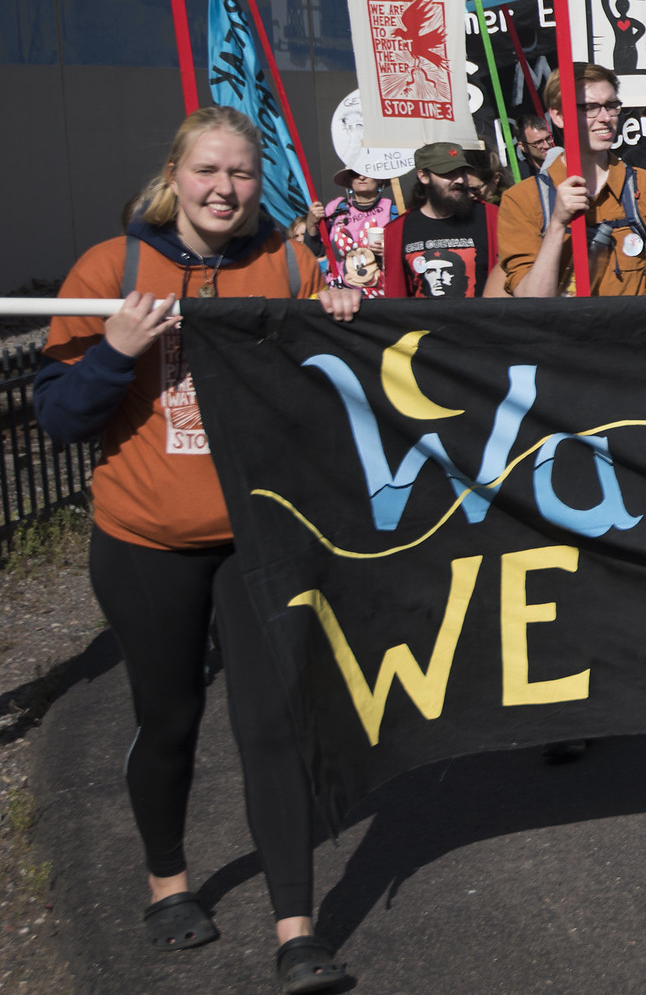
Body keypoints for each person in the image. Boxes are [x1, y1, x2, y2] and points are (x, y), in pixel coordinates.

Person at [32, 108, 357, 993]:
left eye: (242, 174)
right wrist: (115, 351)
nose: (224, 189)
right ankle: (168, 885)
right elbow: (60, 418)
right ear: (174, 176)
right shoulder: (112, 269)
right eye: (208, 171)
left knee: (274, 724)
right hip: (145, 543)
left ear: (261, 183)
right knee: (169, 718)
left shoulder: (289, 264)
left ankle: (297, 929)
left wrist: (336, 320)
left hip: (258, 541)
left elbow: (332, 401)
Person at [496, 63, 646, 297]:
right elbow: (532, 302)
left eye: (612, 106)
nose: (605, 118)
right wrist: (556, 225)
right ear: (558, 115)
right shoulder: (521, 200)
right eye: (590, 108)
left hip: (631, 332)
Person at [383, 142, 498, 299]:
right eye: (449, 173)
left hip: (480, 322)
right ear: (423, 176)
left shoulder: (492, 217)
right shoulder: (398, 229)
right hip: (426, 323)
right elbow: (396, 297)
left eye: (462, 172)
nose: (459, 180)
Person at [321, 167, 397, 295]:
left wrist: (389, 253)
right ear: (349, 180)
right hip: (340, 294)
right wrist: (311, 222)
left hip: (381, 296)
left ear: (379, 179)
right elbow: (315, 248)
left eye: (367, 172)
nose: (361, 177)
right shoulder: (336, 209)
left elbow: (405, 254)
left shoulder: (394, 211)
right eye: (355, 174)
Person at [514, 111, 557, 177]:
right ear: (523, 147)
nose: (547, 146)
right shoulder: (517, 176)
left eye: (548, 138)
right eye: (538, 142)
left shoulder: (564, 163)